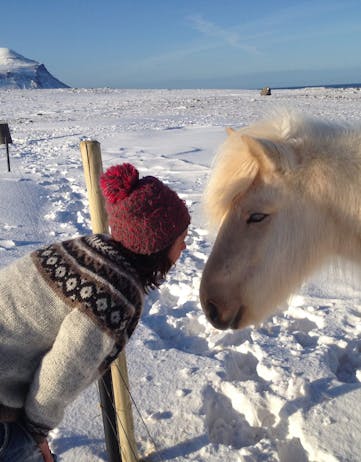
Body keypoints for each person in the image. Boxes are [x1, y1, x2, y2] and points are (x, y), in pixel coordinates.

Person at [0, 163, 190, 462]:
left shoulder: (86, 248)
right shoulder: (113, 292)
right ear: (156, 245)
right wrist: (35, 433)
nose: (185, 246)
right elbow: (62, 370)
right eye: (181, 239)